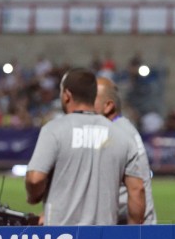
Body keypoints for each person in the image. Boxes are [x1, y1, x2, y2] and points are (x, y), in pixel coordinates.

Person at [25, 68, 145, 226]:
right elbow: (137, 190)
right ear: (93, 96)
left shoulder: (54, 130)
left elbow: (35, 179)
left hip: (60, 238)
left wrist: (34, 197)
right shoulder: (122, 135)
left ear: (67, 95)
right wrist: (132, 235)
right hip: (103, 237)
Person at [94, 76, 157, 225]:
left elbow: (137, 190)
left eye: (91, 100)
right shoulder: (122, 128)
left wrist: (131, 238)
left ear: (108, 106)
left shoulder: (117, 135)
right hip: (132, 224)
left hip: (130, 226)